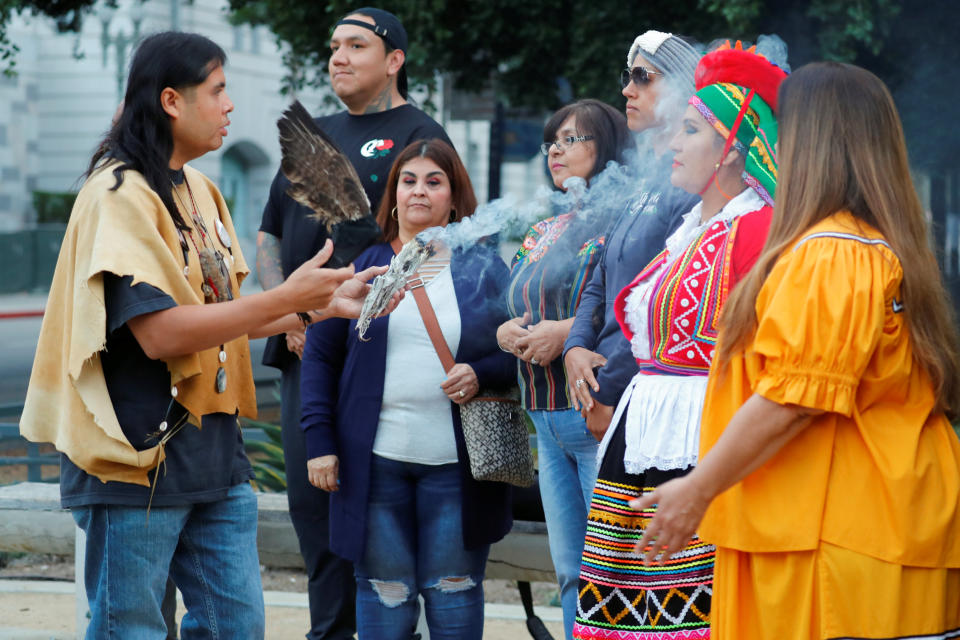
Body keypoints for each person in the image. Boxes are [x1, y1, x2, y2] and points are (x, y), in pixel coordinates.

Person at [18, 32, 392, 639]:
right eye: (218, 91)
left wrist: (315, 309)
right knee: (130, 630)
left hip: (214, 460)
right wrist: (285, 298)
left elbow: (222, 315)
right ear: (171, 100)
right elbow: (163, 333)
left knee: (235, 628)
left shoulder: (200, 190)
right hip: (134, 461)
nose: (230, 106)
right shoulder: (118, 195)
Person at [631, 62, 960, 640]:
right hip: (845, 527)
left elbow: (792, 399)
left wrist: (697, 489)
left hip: (839, 536)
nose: (774, 144)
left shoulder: (832, 250)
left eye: (786, 128)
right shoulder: (864, 241)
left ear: (813, 140)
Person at [573, 42, 787, 639]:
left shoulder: (759, 231)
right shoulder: (690, 229)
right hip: (641, 435)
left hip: (702, 440)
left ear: (733, 149)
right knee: (622, 615)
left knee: (692, 619)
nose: (670, 143)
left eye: (690, 130)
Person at [256, 8, 451, 638]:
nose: (338, 57)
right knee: (314, 507)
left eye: (356, 46)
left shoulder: (421, 134)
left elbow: (432, 245)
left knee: (372, 508)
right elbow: (268, 232)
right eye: (334, 45)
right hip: (299, 345)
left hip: (379, 355)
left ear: (394, 59)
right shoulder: (315, 133)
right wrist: (283, 309)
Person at [300, 139, 514, 640]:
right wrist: (320, 444)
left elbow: (515, 352)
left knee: (454, 593)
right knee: (384, 595)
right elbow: (320, 357)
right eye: (409, 180)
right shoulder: (362, 268)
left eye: (434, 181)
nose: (419, 191)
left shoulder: (481, 270)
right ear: (394, 195)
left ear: (455, 199)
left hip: (457, 469)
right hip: (373, 466)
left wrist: (480, 372)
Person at [493, 98, 632, 638]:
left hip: (595, 412)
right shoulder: (543, 228)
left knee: (612, 574)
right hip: (544, 420)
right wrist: (506, 331)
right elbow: (514, 302)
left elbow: (633, 305)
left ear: (609, 150)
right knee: (570, 572)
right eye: (553, 139)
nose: (557, 149)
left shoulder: (626, 221)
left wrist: (567, 331)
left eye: (574, 139)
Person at [564, 30, 700, 442]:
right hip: (604, 389)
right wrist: (574, 348)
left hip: (644, 396)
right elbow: (601, 277)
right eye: (628, 75)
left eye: (643, 77)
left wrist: (608, 389)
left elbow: (662, 303)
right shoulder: (642, 179)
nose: (627, 89)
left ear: (682, 86)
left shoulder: (693, 186)